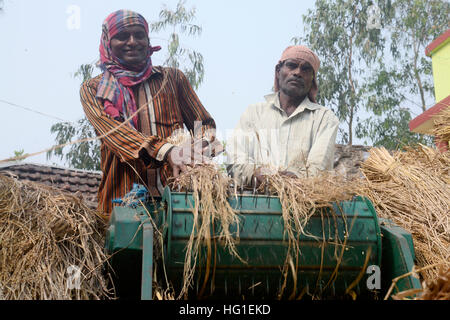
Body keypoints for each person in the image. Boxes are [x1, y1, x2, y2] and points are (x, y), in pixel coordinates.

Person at [81, 10, 217, 218]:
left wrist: (197, 149)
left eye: (139, 35)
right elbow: (116, 135)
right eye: (123, 36)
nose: (132, 42)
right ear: (108, 42)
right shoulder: (95, 89)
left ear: (147, 39)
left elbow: (205, 125)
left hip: (177, 204)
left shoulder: (172, 80)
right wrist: (167, 151)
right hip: (121, 205)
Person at [226, 45, 339, 187]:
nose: (298, 72)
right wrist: (256, 174)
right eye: (292, 65)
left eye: (305, 69)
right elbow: (235, 158)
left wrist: (294, 180)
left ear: (312, 79)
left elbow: (319, 167)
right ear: (278, 71)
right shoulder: (253, 113)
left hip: (302, 204)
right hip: (253, 203)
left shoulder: (324, 118)